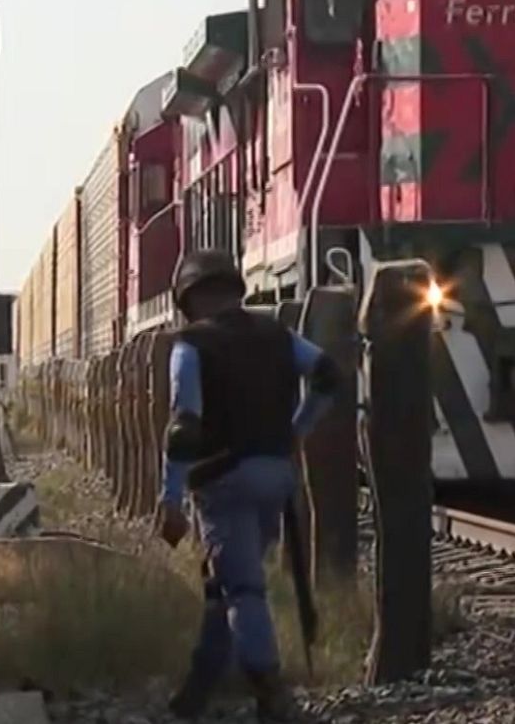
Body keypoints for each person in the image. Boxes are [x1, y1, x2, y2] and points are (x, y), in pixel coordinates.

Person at [155, 249, 341, 722]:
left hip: (223, 481)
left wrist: (170, 497)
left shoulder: (190, 345)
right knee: (225, 583)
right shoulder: (278, 334)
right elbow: (327, 375)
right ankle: (198, 689)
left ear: (187, 301)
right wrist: (297, 431)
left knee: (243, 589)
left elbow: (184, 427)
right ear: (237, 291)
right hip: (275, 475)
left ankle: (271, 692)